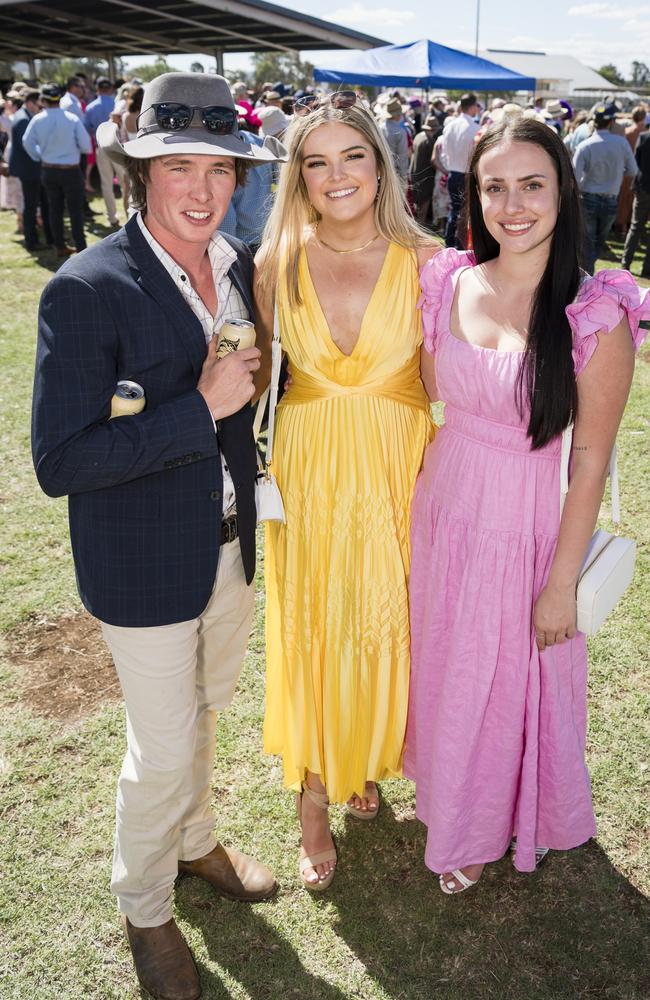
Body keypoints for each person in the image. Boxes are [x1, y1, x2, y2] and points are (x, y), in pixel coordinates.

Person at [32, 72, 286, 1000]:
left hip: (228, 545)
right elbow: (59, 460)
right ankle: (144, 907)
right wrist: (201, 408)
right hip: (140, 563)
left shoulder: (236, 266)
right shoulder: (86, 288)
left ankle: (194, 841)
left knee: (205, 713)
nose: (202, 188)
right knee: (164, 744)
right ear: (142, 172)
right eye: (180, 165)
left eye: (220, 168)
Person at [405, 117, 649, 895]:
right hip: (442, 506)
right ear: (473, 194)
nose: (513, 204)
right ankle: (445, 793)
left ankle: (478, 827)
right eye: (495, 185)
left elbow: (589, 459)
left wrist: (560, 584)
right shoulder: (447, 282)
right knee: (446, 664)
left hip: (524, 526)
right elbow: (425, 390)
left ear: (563, 191)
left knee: (496, 677)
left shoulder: (593, 311)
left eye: (532, 184)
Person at [254, 93, 436, 891]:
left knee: (386, 612)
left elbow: (450, 383)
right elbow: (251, 374)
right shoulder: (275, 264)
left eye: (351, 156)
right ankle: (314, 802)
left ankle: (364, 754)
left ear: (379, 163)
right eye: (316, 161)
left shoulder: (429, 261)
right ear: (298, 175)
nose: (336, 176)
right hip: (311, 467)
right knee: (317, 620)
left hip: (400, 463)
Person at [22, 82, 91, 257]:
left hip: (49, 170)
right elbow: (86, 147)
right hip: (71, 170)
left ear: (43, 100)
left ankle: (60, 245)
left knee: (55, 209)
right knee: (74, 211)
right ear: (59, 99)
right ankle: (81, 247)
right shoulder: (71, 119)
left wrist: (39, 156)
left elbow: (27, 142)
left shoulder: (37, 119)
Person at [573, 101, 638, 274]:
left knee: (587, 243)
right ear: (611, 122)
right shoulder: (621, 143)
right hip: (610, 198)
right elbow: (632, 170)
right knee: (597, 243)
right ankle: (587, 278)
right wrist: (615, 174)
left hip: (588, 197)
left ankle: (586, 277)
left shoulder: (585, 145)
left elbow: (575, 178)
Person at [8, 88, 53, 251]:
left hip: (31, 168)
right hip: (29, 169)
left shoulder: (24, 116)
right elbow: (27, 147)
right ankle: (32, 241)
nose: (39, 108)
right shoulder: (23, 119)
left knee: (37, 204)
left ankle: (49, 237)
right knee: (31, 206)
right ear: (29, 103)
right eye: (37, 105)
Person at [443, 91, 480, 248]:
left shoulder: (450, 126)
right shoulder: (474, 128)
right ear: (472, 107)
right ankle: (459, 245)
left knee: (455, 211)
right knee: (464, 212)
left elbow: (444, 153)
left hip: (453, 172)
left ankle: (450, 243)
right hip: (466, 174)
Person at [85, 76, 122, 226]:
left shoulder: (91, 107)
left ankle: (112, 217)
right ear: (111, 89)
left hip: (102, 146)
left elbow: (87, 128)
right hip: (118, 145)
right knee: (125, 183)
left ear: (98, 89)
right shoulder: (117, 104)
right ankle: (130, 213)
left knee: (106, 184)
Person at [621, 125, 650, 278]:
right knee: (636, 227)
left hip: (643, 187)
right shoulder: (644, 136)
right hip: (643, 187)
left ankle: (626, 263)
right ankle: (646, 269)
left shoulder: (644, 137)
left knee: (635, 227)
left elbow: (636, 161)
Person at [409, 113, 440, 227]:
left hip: (414, 172)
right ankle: (420, 228)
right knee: (424, 203)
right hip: (425, 176)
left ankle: (416, 226)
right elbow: (433, 160)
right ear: (435, 128)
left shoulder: (418, 136)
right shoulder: (430, 141)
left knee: (417, 202)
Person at [378, 96, 409, 183]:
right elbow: (402, 156)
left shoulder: (379, 128)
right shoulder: (400, 131)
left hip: (380, 170)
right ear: (398, 115)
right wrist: (404, 177)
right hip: (395, 172)